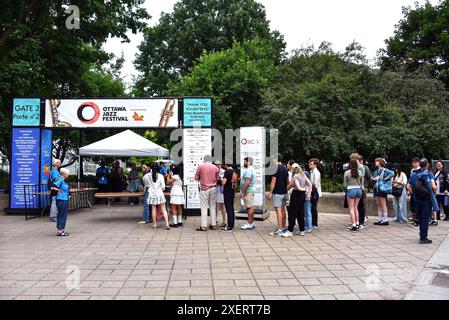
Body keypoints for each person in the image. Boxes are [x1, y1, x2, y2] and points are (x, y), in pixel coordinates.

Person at [409, 158, 439, 244]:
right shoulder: (429, 174)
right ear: (427, 165)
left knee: (420, 217)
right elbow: (433, 186)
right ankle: (423, 238)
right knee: (425, 219)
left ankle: (421, 235)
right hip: (426, 199)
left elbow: (409, 186)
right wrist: (434, 194)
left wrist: (415, 195)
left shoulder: (414, 174)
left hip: (417, 199)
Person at [284, 166, 312, 237]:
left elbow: (298, 188)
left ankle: (290, 231)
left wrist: (302, 189)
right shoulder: (304, 175)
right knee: (301, 213)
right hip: (302, 196)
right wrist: (308, 193)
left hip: (296, 195)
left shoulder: (295, 177)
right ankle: (302, 230)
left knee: (292, 213)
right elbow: (310, 184)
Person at [194, 155, 219, 231]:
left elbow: (196, 178)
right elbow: (217, 179)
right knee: (213, 206)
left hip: (204, 188)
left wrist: (201, 177)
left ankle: (203, 226)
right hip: (213, 188)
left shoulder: (200, 166)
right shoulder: (215, 167)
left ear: (204, 160)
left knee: (204, 207)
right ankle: (213, 224)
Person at [268, 154, 289, 237]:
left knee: (278, 211)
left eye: (273, 159)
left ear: (276, 159)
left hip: (277, 193)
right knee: (283, 210)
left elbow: (273, 181)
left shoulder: (275, 168)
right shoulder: (285, 168)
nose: (272, 160)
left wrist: (270, 193)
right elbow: (287, 181)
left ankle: (279, 229)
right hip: (284, 192)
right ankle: (283, 227)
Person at [372, 158, 395, 226]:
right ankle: (380, 219)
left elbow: (392, 173)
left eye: (377, 161)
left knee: (383, 204)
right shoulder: (377, 171)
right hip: (377, 188)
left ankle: (385, 220)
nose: (375, 162)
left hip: (382, 189)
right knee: (378, 204)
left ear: (380, 162)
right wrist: (374, 178)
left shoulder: (384, 170)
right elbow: (374, 177)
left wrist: (384, 179)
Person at [147, 164, 170, 230]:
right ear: (158, 169)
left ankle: (154, 224)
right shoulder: (161, 176)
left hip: (152, 194)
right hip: (159, 194)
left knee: (153, 209)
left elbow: (148, 184)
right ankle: (167, 224)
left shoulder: (148, 176)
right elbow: (163, 187)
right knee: (163, 209)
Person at [344, 159, 364, 231]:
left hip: (351, 189)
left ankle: (353, 225)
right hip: (359, 190)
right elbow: (362, 183)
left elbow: (345, 184)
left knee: (351, 208)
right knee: (356, 207)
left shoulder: (347, 172)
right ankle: (358, 223)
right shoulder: (360, 172)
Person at [52, 168, 70, 236]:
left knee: (62, 215)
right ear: (64, 174)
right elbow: (52, 187)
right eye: (68, 173)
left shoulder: (63, 180)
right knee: (62, 215)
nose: (68, 174)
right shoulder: (60, 180)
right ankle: (60, 231)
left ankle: (61, 230)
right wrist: (58, 190)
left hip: (64, 199)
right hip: (61, 199)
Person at [240, 157, 257, 231]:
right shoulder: (251, 169)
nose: (244, 163)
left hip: (248, 191)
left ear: (249, 162)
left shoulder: (249, 170)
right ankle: (251, 223)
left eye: (245, 161)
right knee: (250, 207)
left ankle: (249, 224)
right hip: (250, 190)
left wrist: (243, 192)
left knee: (249, 207)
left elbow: (247, 182)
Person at [220, 163, 236, 232]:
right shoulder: (234, 171)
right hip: (232, 191)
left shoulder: (227, 171)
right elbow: (235, 183)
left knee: (228, 209)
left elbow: (224, 182)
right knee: (231, 208)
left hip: (227, 192)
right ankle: (231, 225)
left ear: (226, 164)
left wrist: (220, 179)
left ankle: (229, 227)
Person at [408, 157, 421, 227]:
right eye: (413, 162)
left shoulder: (420, 170)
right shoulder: (412, 170)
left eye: (414, 162)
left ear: (418, 162)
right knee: (412, 205)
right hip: (412, 190)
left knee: (417, 205)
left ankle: (417, 220)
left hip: (418, 190)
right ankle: (414, 219)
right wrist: (410, 191)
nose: (413, 163)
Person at [308, 158, 322, 229]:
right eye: (309, 164)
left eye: (311, 164)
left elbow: (315, 184)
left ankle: (315, 223)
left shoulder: (316, 172)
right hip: (313, 190)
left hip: (315, 191)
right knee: (312, 207)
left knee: (313, 207)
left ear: (315, 165)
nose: (309, 165)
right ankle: (313, 222)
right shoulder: (311, 171)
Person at [214, 161, 227, 228]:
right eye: (216, 164)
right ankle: (214, 220)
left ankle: (224, 221)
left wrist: (219, 180)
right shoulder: (213, 170)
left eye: (219, 164)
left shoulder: (224, 171)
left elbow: (223, 181)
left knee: (222, 206)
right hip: (214, 190)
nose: (218, 165)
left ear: (221, 164)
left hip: (221, 190)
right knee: (214, 206)